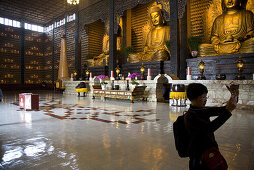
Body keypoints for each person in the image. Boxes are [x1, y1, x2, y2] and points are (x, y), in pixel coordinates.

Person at [184, 83, 239, 170]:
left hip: (209, 151)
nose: (205, 100)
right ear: (193, 99)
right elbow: (209, 128)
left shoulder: (202, 109)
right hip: (199, 155)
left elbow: (224, 109)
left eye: (206, 97)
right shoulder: (190, 116)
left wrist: (234, 96)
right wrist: (228, 111)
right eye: (203, 97)